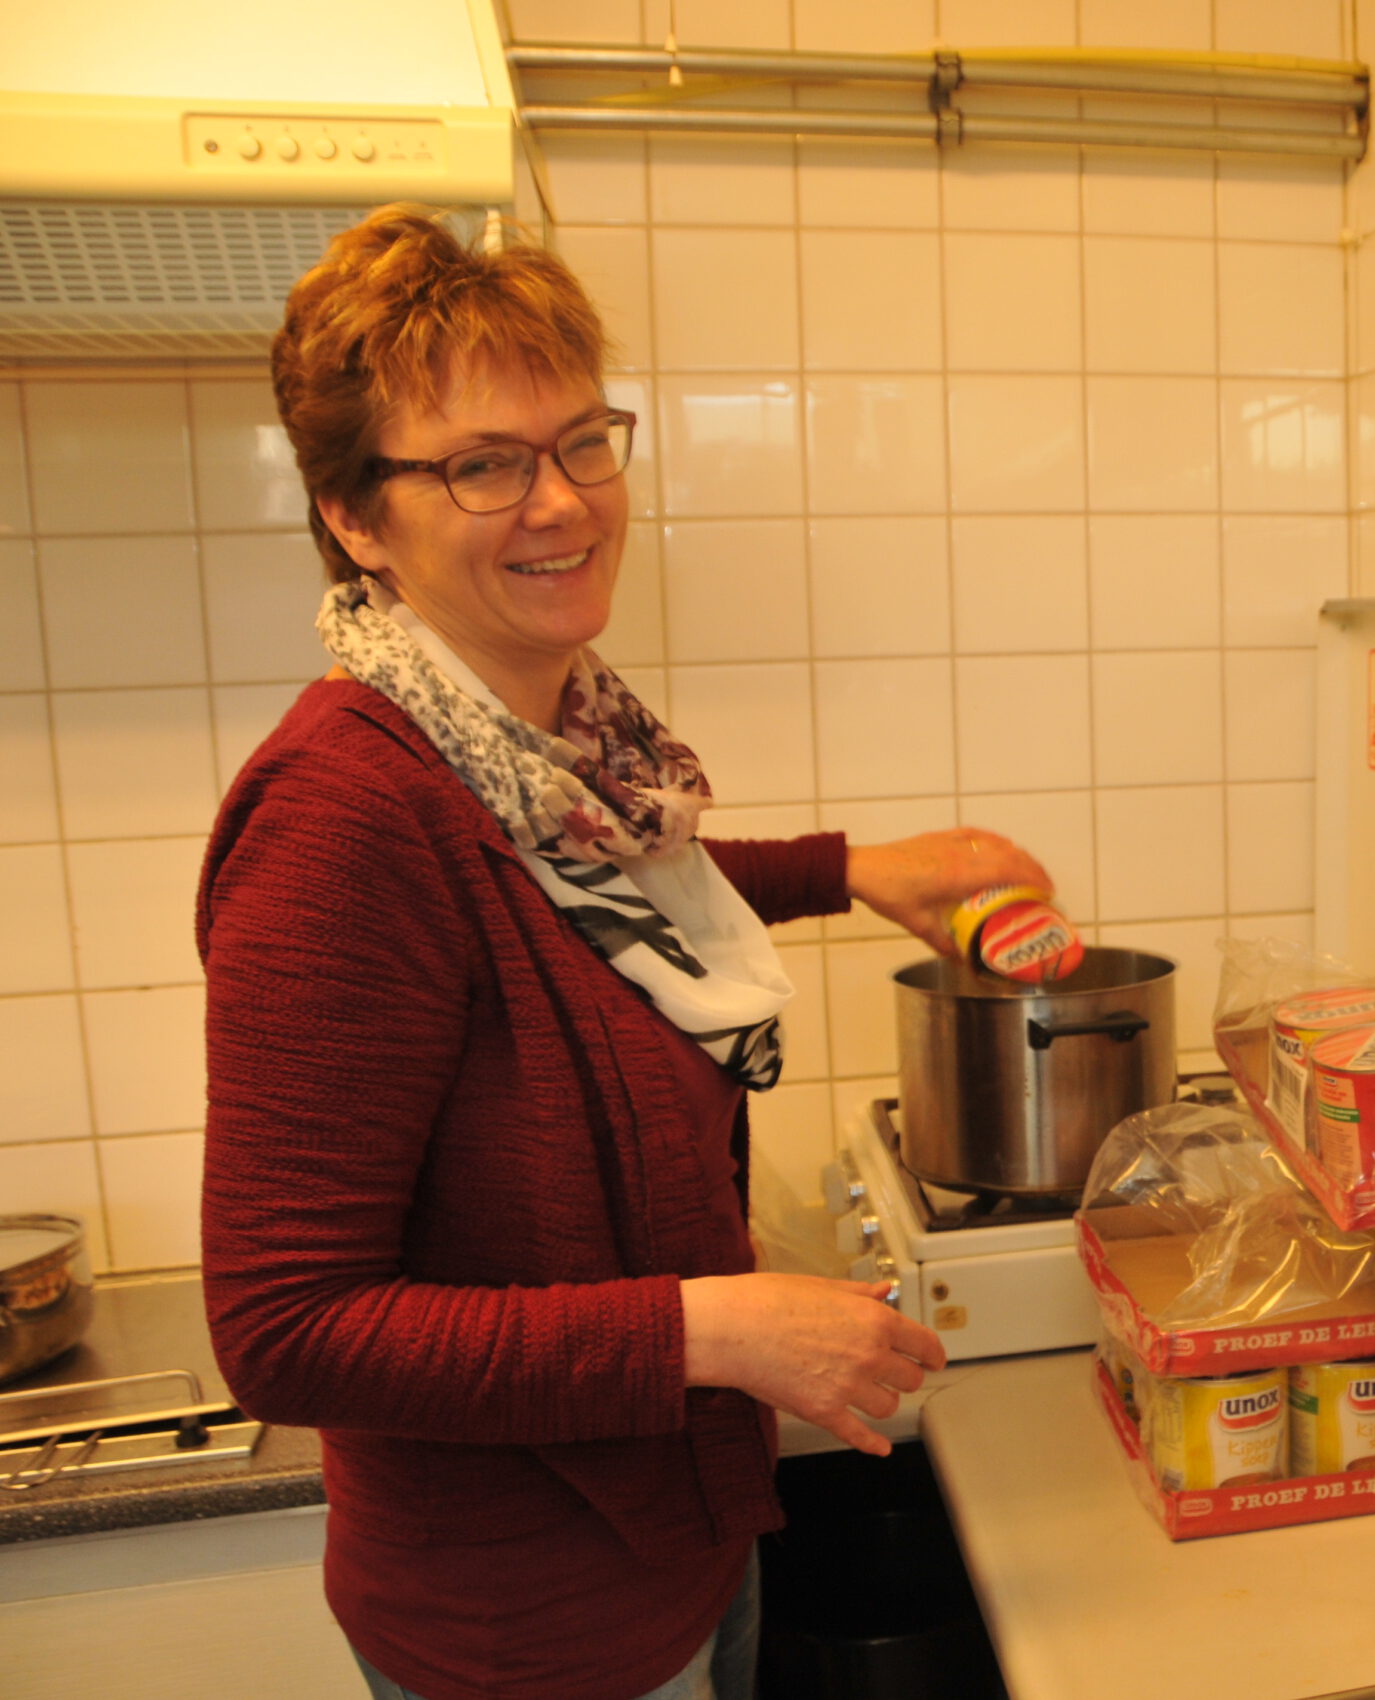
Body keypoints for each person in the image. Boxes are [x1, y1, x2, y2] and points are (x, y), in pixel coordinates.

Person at [197, 203, 1050, 1700]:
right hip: (528, 1629)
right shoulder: (343, 817)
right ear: (355, 517)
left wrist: (852, 871)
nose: (563, 502)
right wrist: (710, 1331)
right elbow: (285, 1332)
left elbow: (571, 911)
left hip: (674, 1546)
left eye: (585, 441)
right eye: (483, 464)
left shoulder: (541, 754)